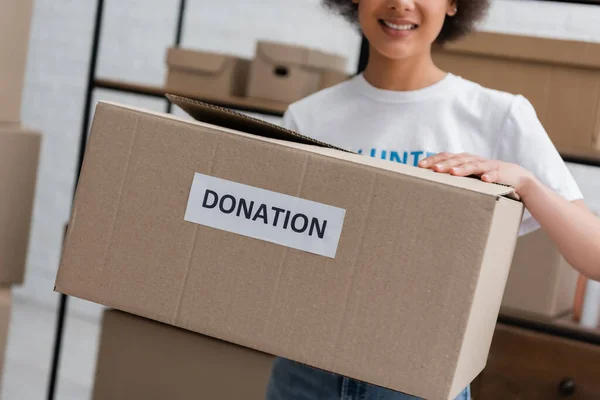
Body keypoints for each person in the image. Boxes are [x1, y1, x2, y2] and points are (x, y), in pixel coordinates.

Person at [265, 0, 600, 399]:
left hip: (419, 381)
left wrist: (528, 183)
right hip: (305, 374)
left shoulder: (498, 115)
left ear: (454, 3)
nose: (401, 4)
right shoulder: (308, 117)